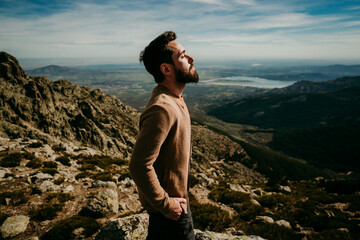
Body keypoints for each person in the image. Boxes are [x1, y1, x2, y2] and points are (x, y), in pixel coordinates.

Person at [129, 31, 199, 240]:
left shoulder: (174, 97)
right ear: (166, 69)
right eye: (182, 55)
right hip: (171, 215)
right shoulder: (163, 108)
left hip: (175, 208)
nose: (190, 58)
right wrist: (166, 205)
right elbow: (139, 165)